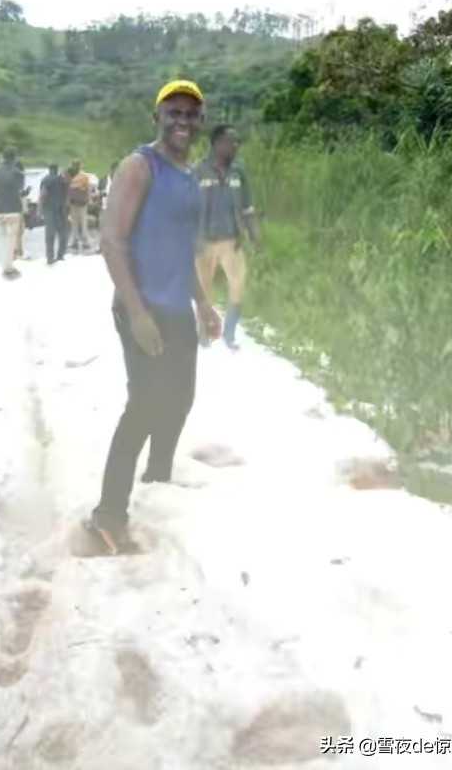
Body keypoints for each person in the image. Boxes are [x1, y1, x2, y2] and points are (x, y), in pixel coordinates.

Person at [85, 80, 221, 555]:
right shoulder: (139, 167)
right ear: (157, 118)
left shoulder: (187, 177)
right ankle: (107, 515)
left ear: (200, 121)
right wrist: (138, 312)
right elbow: (112, 241)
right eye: (173, 113)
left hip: (176, 306)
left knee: (181, 397)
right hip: (140, 307)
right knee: (143, 405)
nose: (182, 121)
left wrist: (202, 302)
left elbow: (182, 251)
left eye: (190, 114)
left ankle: (158, 478)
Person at [194, 125, 259, 350]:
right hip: (203, 241)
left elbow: (248, 207)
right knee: (204, 289)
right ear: (217, 144)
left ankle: (229, 334)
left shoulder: (238, 172)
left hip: (232, 241)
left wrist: (254, 236)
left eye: (237, 141)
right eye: (231, 141)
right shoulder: (197, 171)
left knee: (238, 285)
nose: (236, 146)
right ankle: (203, 332)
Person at [0, 147, 25, 278]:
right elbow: (20, 188)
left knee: (3, 237)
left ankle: (4, 264)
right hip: (13, 209)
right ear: (14, 158)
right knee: (11, 239)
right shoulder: (18, 173)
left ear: (3, 157)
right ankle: (8, 267)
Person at [39, 164, 69, 264]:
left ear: (49, 170)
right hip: (61, 210)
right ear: (57, 170)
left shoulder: (46, 180)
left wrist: (40, 210)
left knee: (50, 235)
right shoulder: (62, 180)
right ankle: (60, 255)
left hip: (49, 210)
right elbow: (67, 195)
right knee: (63, 234)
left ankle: (50, 258)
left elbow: (43, 195)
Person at [67, 159, 92, 251]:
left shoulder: (83, 176)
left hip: (80, 203)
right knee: (77, 222)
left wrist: (88, 199)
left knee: (80, 222)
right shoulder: (72, 175)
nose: (75, 166)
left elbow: (87, 189)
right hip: (77, 202)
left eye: (76, 165)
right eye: (74, 164)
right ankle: (77, 241)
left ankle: (82, 242)